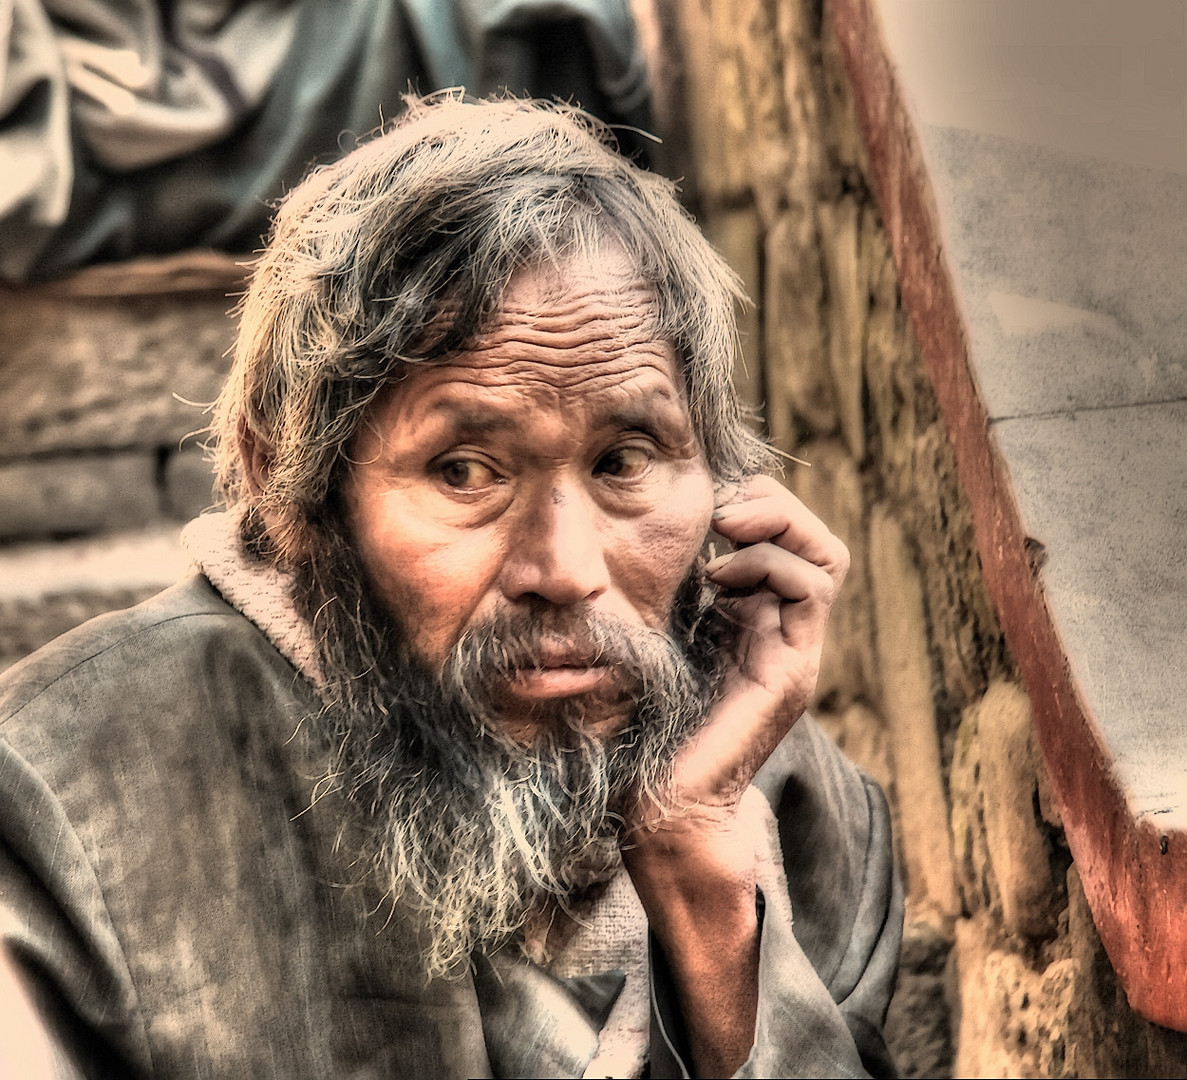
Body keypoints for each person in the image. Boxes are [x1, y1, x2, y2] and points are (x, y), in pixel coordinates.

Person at [0, 93, 902, 1079]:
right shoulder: (57, 794)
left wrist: (701, 883)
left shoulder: (797, 808)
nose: (564, 572)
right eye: (464, 471)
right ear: (286, 484)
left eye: (622, 461)